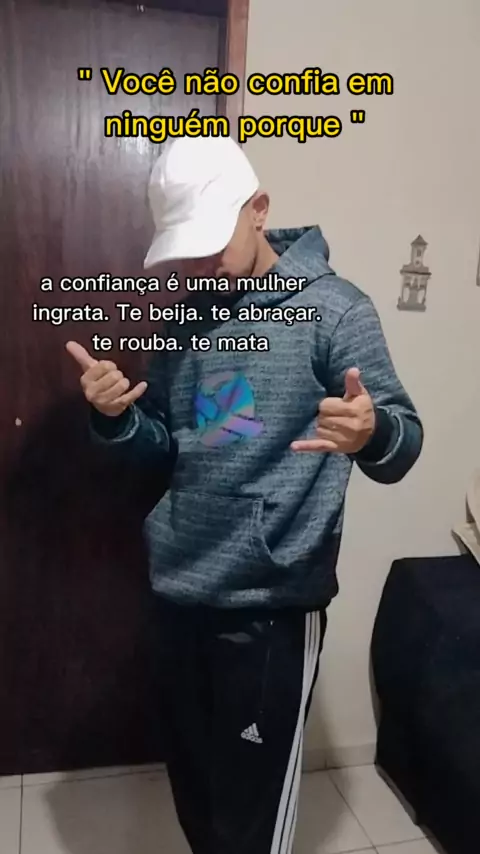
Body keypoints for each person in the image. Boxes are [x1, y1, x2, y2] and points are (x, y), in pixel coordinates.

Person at [66, 135, 423, 854]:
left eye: (209, 241)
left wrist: (372, 430)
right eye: (184, 249)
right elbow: (166, 446)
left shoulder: (336, 311)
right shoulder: (184, 320)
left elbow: (402, 443)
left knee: (249, 826)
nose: (198, 265)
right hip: (179, 594)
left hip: (270, 610)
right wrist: (115, 419)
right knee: (197, 799)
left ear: (258, 209)